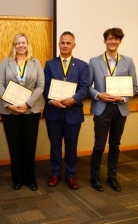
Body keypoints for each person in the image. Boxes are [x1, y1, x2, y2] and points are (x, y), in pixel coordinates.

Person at [89, 28, 137, 192]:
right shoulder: (94, 61)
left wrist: (123, 98)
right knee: (99, 146)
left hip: (120, 109)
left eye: (116, 39)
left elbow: (135, 87)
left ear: (120, 41)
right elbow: (87, 87)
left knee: (115, 145)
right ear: (105, 40)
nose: (113, 42)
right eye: (110, 39)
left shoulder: (128, 61)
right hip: (102, 109)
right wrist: (99, 95)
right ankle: (94, 177)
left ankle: (112, 177)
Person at [0, 33, 45, 191]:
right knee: (14, 147)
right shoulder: (6, 62)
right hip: (9, 113)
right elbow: (0, 85)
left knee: (29, 147)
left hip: (30, 112)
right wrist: (8, 105)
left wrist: (28, 104)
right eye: (18, 43)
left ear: (28, 44)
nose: (21, 45)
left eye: (23, 42)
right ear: (14, 45)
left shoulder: (35, 62)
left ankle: (31, 179)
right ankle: (17, 179)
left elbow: (40, 85)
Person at [43, 31, 89, 190]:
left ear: (73, 45)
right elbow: (46, 87)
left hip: (73, 113)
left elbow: (85, 88)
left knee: (71, 146)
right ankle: (55, 173)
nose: (65, 45)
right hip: (53, 113)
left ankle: (70, 175)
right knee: (55, 145)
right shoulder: (50, 64)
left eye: (68, 43)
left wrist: (73, 99)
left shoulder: (82, 65)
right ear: (58, 45)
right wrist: (51, 101)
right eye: (62, 42)